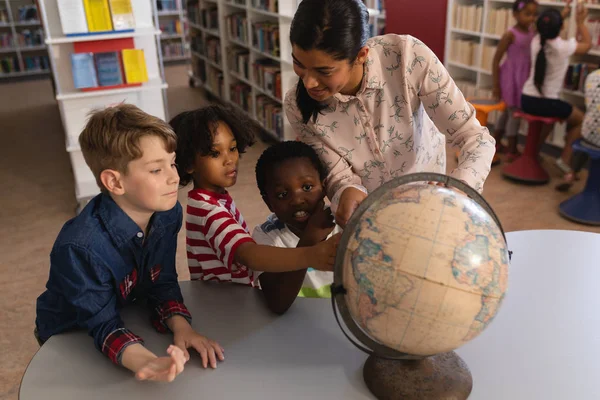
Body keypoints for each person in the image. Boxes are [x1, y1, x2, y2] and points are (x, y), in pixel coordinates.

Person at [35, 104, 224, 383]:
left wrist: (183, 328)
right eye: (156, 170)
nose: (174, 176)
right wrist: (147, 362)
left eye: (171, 162)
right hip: (69, 335)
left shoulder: (167, 213)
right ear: (114, 181)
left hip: (124, 309)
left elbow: (162, 280)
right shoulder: (80, 247)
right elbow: (102, 325)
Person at [284, 0, 497, 228]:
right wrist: (346, 189)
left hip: (430, 207)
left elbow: (475, 137)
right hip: (372, 220)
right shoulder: (297, 106)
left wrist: (459, 188)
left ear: (361, 55)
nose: (308, 83)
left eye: (324, 71)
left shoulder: (407, 57)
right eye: (299, 64)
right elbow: (337, 172)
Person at [169, 105, 339, 288]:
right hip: (226, 307)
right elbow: (248, 254)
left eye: (232, 148)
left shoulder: (211, 200)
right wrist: (311, 255)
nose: (229, 160)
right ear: (188, 164)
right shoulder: (208, 212)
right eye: (215, 153)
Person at [253, 141, 340, 314]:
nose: (297, 200)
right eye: (282, 195)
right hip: (296, 328)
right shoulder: (266, 237)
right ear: (268, 202)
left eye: (307, 187)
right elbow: (277, 303)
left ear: (324, 187)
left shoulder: (344, 223)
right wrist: (310, 238)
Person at [520, 5, 591, 190]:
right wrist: (580, 22)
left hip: (527, 99)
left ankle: (534, 153)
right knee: (581, 119)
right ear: (560, 28)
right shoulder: (563, 47)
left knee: (551, 120)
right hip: (547, 103)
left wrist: (563, 14)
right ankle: (565, 161)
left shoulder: (536, 41)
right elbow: (588, 44)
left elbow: (545, 26)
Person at [492, 0, 539, 161]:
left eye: (534, 14)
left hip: (524, 78)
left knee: (507, 112)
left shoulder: (533, 31)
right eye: (527, 14)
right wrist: (496, 85)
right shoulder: (510, 34)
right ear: (515, 15)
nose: (531, 18)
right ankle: (512, 148)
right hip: (511, 78)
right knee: (514, 114)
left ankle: (495, 142)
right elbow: (496, 60)